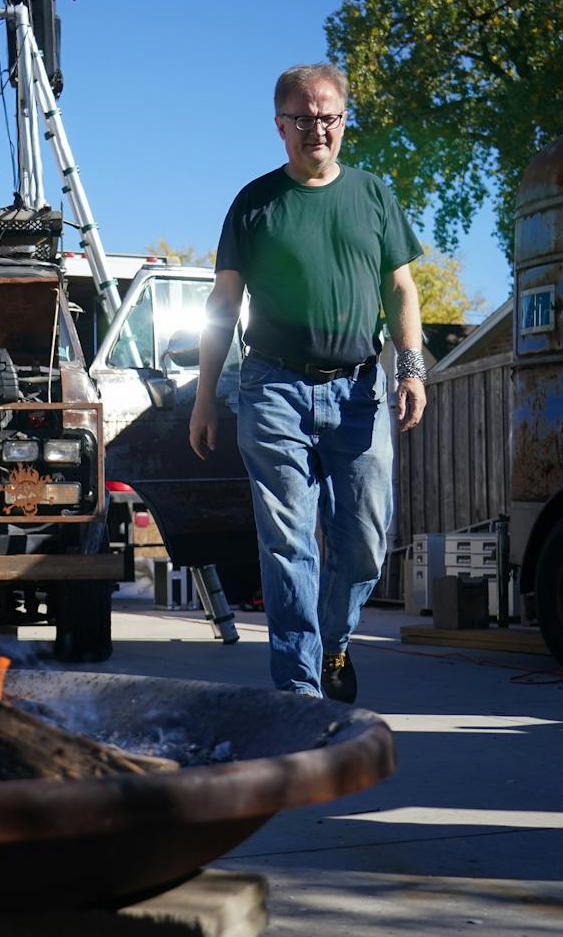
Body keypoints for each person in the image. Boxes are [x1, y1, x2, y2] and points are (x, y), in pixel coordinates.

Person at [188, 62, 426, 703]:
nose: (316, 128)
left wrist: (410, 368)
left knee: (366, 546)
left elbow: (401, 288)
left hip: (358, 392)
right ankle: (297, 688)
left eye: (328, 117)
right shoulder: (254, 204)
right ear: (280, 126)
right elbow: (222, 304)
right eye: (302, 117)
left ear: (343, 121)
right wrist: (207, 394)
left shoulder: (373, 196)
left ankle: (333, 643)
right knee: (289, 541)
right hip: (272, 391)